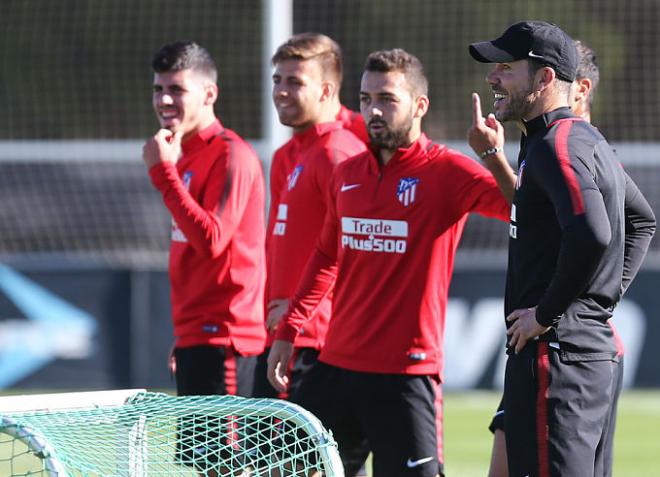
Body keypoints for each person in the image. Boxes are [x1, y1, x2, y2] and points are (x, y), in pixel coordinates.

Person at [267, 48, 511, 477]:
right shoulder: (348, 173)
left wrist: (493, 158)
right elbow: (326, 255)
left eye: (387, 99)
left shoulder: (449, 173)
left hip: (406, 374)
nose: (373, 111)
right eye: (365, 100)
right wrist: (289, 331)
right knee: (288, 470)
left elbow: (525, 209)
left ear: (420, 105)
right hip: (336, 367)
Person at [468, 21, 656, 476]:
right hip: (580, 356)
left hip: (556, 359)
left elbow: (594, 233)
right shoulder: (578, 140)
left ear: (545, 78)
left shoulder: (557, 145)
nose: (493, 77)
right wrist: (596, 304)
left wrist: (550, 313)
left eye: (507, 68)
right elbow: (642, 220)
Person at [142, 40, 266, 474]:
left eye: (176, 89)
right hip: (199, 337)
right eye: (158, 89)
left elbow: (212, 239)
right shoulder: (185, 154)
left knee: (229, 468)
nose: (164, 100)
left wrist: (163, 174)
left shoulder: (231, 154)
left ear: (209, 94)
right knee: (205, 468)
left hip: (226, 340)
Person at [253, 32, 367, 402]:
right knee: (264, 461)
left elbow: (358, 248)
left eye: (295, 82)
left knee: (313, 461)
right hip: (280, 335)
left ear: (325, 90)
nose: (281, 91)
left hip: (316, 340)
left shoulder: (340, 152)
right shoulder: (288, 154)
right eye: (277, 80)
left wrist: (300, 307)